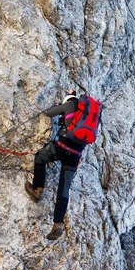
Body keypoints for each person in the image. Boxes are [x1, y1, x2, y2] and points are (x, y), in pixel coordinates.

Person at [25, 89, 85, 240]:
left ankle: (37, 190)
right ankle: (57, 224)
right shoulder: (86, 116)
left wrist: (57, 106)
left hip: (61, 147)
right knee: (63, 190)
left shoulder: (69, 105)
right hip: (75, 156)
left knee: (40, 157)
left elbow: (49, 113)